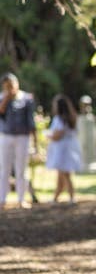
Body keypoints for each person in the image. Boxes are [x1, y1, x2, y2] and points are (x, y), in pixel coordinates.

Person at [0, 73, 37, 209]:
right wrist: (6, 98)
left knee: (21, 168)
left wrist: (35, 142)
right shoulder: (2, 98)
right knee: (4, 169)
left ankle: (21, 198)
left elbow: (31, 122)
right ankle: (2, 199)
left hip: (23, 137)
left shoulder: (26, 98)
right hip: (6, 136)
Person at [44, 94, 83, 204]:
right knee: (61, 175)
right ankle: (56, 197)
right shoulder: (72, 118)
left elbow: (57, 135)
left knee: (65, 174)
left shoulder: (59, 119)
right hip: (70, 147)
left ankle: (71, 197)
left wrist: (48, 135)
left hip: (62, 150)